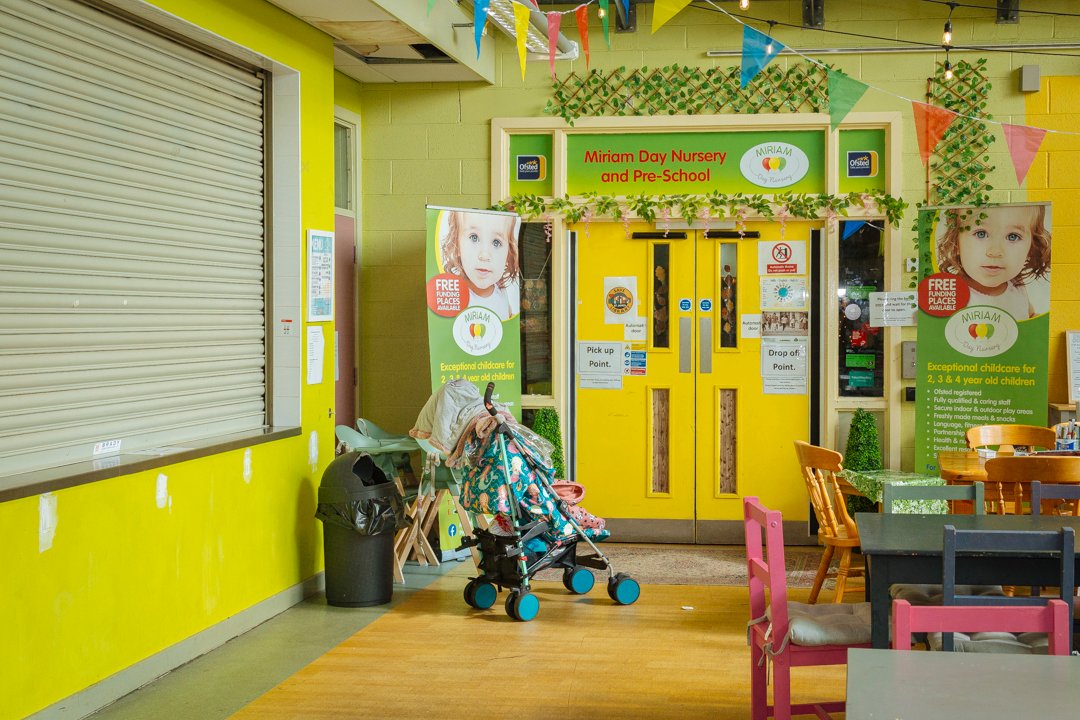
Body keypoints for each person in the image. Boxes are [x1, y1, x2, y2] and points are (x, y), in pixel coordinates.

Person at [936, 205, 1051, 319]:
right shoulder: (952, 295)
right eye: (981, 234)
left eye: (1013, 236)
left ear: (1031, 247)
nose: (995, 252)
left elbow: (1029, 315)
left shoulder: (1016, 284)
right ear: (955, 243)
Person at [440, 210, 520, 320]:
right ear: (457, 244)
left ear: (508, 253)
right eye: (474, 237)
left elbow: (507, 316)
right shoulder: (454, 296)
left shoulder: (501, 288)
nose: (484, 255)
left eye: (496, 242)